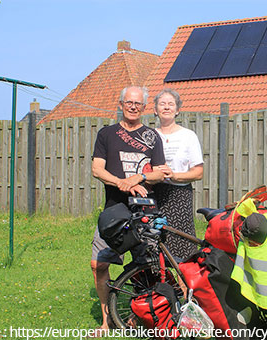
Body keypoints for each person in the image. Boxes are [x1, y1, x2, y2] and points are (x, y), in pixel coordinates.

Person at [90, 86, 165, 332]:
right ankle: (106, 320)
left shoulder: (152, 136)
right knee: (99, 264)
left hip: (144, 211)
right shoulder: (107, 134)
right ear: (120, 104)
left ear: (144, 108)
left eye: (138, 104)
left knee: (146, 265)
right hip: (114, 210)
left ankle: (138, 317)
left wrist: (137, 179)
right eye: (129, 102)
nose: (133, 107)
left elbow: (160, 171)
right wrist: (122, 183)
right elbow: (97, 169)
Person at [152, 88, 204, 260]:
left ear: (177, 110)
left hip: (179, 195)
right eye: (162, 104)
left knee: (182, 245)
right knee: (153, 243)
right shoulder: (150, 135)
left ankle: (184, 286)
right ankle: (157, 286)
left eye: (170, 104)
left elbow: (198, 172)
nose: (166, 107)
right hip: (153, 194)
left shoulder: (188, 136)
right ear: (155, 109)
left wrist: (174, 175)